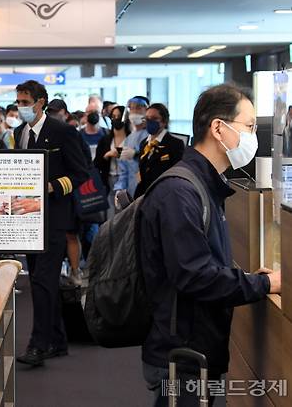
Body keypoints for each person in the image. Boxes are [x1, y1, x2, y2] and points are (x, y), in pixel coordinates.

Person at [139, 84, 281, 406]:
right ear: (218, 128)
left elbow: (201, 260)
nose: (253, 136)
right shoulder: (181, 191)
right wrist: (264, 283)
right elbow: (195, 275)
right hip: (182, 354)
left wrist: (248, 278)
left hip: (194, 349)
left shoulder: (202, 185)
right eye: (249, 126)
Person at [12, 80, 90, 367]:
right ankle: (57, 340)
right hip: (28, 218)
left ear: (40, 102)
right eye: (18, 102)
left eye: (25, 102)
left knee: (44, 282)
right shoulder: (18, 132)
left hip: (55, 217)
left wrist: (51, 187)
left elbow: (81, 172)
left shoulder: (63, 132)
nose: (21, 107)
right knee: (39, 280)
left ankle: (39, 344)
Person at [133, 103, 185, 198]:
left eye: (154, 118)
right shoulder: (144, 143)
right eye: (147, 118)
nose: (149, 122)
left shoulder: (175, 144)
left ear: (164, 122)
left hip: (164, 196)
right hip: (144, 195)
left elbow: (177, 175)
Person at [94, 105, 130, 219]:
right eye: (113, 116)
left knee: (125, 213)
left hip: (127, 180)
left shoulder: (132, 138)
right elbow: (97, 163)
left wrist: (121, 153)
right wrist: (106, 155)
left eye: (119, 117)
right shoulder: (105, 140)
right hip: (109, 179)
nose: (115, 119)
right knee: (110, 215)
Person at [114, 96, 150, 200]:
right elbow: (124, 170)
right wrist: (120, 189)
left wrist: (136, 154)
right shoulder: (129, 140)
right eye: (131, 108)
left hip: (148, 191)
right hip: (132, 192)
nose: (134, 111)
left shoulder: (152, 136)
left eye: (138, 108)